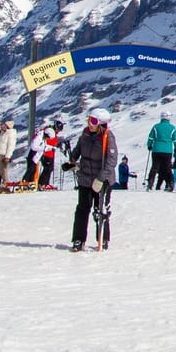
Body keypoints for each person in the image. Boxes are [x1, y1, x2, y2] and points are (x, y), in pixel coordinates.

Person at [64, 107, 120, 252]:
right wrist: (72, 160)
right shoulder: (85, 134)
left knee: (100, 210)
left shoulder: (108, 137)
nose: (90, 123)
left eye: (93, 121)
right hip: (85, 177)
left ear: (101, 124)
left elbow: (112, 160)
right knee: (82, 209)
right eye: (89, 120)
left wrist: (101, 178)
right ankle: (78, 239)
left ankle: (103, 238)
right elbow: (78, 149)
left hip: (102, 180)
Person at [147, 113, 176, 191]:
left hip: (156, 150)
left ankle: (150, 184)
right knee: (167, 168)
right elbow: (175, 140)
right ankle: (170, 184)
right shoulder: (172, 128)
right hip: (167, 150)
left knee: (154, 167)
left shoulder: (156, 127)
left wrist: (149, 145)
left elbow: (150, 137)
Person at [0, 117, 17, 195]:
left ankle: (7, 186)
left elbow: (11, 146)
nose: (2, 126)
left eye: (4, 125)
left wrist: (8, 156)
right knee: (1, 171)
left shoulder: (10, 134)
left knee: (3, 171)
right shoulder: (2, 133)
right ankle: (4, 186)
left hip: (4, 154)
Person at [37, 122, 63, 189]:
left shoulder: (53, 133)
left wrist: (56, 144)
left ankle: (45, 183)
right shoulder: (50, 132)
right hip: (46, 153)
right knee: (47, 168)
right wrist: (55, 145)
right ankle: (42, 184)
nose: (59, 131)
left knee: (49, 168)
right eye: (58, 129)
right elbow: (47, 142)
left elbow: (52, 142)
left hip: (50, 153)